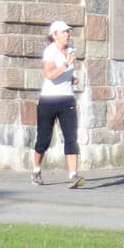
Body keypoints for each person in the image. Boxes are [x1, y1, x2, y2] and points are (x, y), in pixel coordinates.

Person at [32, 19, 83, 187]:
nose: (67, 34)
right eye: (64, 32)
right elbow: (49, 75)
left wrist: (72, 78)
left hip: (67, 98)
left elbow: (62, 75)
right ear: (54, 35)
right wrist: (66, 64)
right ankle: (37, 170)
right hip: (48, 100)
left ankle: (73, 175)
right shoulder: (50, 52)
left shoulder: (72, 50)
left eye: (68, 31)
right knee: (44, 139)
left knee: (71, 137)